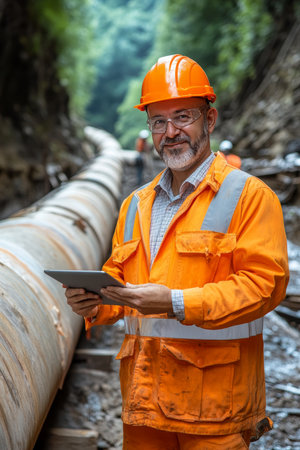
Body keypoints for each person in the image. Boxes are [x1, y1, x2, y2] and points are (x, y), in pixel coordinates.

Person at [65, 54, 289, 449]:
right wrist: (96, 304)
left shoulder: (250, 197)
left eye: (183, 116)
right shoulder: (135, 204)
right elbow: (122, 287)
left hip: (215, 411)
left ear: (210, 119)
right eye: (158, 121)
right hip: (144, 404)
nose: (170, 131)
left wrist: (176, 302)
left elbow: (264, 287)